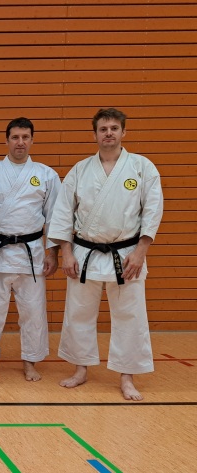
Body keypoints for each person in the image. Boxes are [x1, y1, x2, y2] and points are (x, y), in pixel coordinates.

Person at [48, 108, 163, 401]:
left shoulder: (142, 167)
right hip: (84, 253)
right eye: (103, 129)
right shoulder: (80, 169)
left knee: (130, 316)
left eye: (114, 128)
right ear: (95, 134)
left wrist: (141, 251)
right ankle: (80, 369)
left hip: (127, 253)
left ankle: (127, 377)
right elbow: (62, 212)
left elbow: (152, 211)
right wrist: (66, 253)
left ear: (124, 132)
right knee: (78, 313)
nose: (108, 133)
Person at [0, 118, 61, 382]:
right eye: (15, 137)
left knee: (33, 312)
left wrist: (52, 252)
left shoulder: (47, 175)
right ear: (7, 140)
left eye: (25, 137)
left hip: (31, 253)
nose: (20, 142)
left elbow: (54, 217)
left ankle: (30, 361)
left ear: (32, 140)